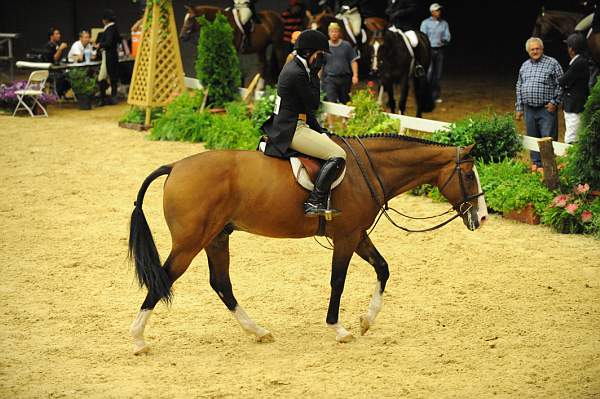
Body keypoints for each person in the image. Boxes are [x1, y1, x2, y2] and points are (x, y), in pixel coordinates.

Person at [261, 30, 347, 217]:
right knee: (338, 155)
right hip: (291, 129)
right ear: (309, 53)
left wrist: (320, 131)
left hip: (295, 123)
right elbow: (313, 104)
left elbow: (307, 111)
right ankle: (315, 201)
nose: (321, 58)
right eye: (319, 54)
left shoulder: (298, 68)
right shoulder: (297, 73)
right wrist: (316, 74)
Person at [515, 37, 564, 170]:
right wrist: (519, 108)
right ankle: (536, 166)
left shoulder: (552, 63)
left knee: (547, 139)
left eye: (537, 48)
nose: (535, 51)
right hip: (529, 109)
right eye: (532, 49)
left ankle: (549, 167)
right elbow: (519, 86)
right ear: (528, 51)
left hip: (546, 109)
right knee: (532, 139)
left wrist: (555, 102)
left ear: (542, 49)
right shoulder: (524, 65)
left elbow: (561, 84)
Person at [559, 34, 590, 144]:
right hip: (574, 103)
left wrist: (557, 79)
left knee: (571, 138)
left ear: (571, 49)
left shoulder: (579, 62)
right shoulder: (580, 61)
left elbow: (563, 81)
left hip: (575, 105)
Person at [420, 3, 450, 103]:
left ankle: (435, 96)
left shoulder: (444, 23)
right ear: (432, 12)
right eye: (437, 10)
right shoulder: (425, 23)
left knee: (438, 75)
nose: (439, 12)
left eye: (439, 10)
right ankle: (426, 95)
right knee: (428, 73)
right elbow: (423, 36)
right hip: (429, 50)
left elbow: (447, 36)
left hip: (440, 50)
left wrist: (444, 40)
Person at [323, 22, 359, 105]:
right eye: (332, 32)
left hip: (344, 78)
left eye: (336, 31)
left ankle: (346, 118)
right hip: (330, 79)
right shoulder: (325, 46)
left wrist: (355, 75)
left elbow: (353, 61)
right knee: (330, 102)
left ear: (339, 33)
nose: (334, 34)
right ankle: (331, 118)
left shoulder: (346, 45)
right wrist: (317, 78)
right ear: (328, 33)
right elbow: (321, 64)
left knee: (345, 102)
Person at [96, 10, 121, 105]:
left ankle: (103, 98)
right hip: (113, 55)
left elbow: (108, 43)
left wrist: (100, 45)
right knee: (112, 77)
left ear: (105, 20)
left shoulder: (109, 29)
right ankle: (112, 97)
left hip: (108, 55)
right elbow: (118, 40)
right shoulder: (114, 28)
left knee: (102, 77)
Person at [43, 28, 70, 97]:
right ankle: (57, 94)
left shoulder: (56, 45)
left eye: (59, 34)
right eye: (57, 34)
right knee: (63, 76)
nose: (59, 35)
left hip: (58, 69)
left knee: (71, 75)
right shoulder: (49, 46)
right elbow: (54, 59)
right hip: (50, 72)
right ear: (51, 36)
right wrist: (60, 49)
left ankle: (61, 93)